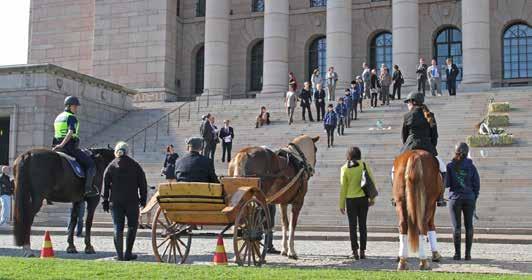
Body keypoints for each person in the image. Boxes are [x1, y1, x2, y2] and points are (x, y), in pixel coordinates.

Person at [102, 142, 147, 261]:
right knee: (132, 226)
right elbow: (143, 184)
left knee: (117, 227)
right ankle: (128, 253)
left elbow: (105, 185)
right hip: (132, 200)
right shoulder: (135, 165)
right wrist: (143, 199)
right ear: (127, 152)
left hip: (115, 201)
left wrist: (105, 200)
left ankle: (119, 255)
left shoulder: (111, 166)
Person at [401, 91, 446, 206]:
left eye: (408, 102)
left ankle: (398, 194)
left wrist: (407, 146)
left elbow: (404, 136)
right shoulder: (430, 115)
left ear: (413, 102)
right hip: (427, 147)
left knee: (395, 170)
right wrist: (432, 147)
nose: (407, 104)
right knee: (443, 169)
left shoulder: (407, 116)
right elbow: (434, 135)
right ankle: (440, 197)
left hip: (410, 146)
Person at [52, 96, 97, 197]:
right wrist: (62, 145)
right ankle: (88, 189)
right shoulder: (71, 117)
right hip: (69, 147)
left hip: (56, 145)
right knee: (90, 164)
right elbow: (70, 132)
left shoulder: (58, 117)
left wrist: (57, 146)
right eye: (75, 106)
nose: (76, 108)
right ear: (68, 106)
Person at [339, 147, 375, 260]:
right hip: (363, 199)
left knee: (352, 226)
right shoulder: (364, 165)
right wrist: (372, 198)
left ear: (348, 155)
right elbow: (371, 181)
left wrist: (341, 204)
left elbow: (343, 188)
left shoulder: (344, 168)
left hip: (350, 200)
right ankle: (362, 251)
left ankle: (354, 251)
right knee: (363, 225)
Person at [446, 143, 480, 261]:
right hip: (469, 198)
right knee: (469, 226)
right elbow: (477, 185)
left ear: (456, 151)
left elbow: (447, 184)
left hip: (455, 198)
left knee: (456, 227)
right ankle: (468, 255)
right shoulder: (472, 167)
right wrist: (474, 198)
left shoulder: (450, 166)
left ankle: (457, 254)